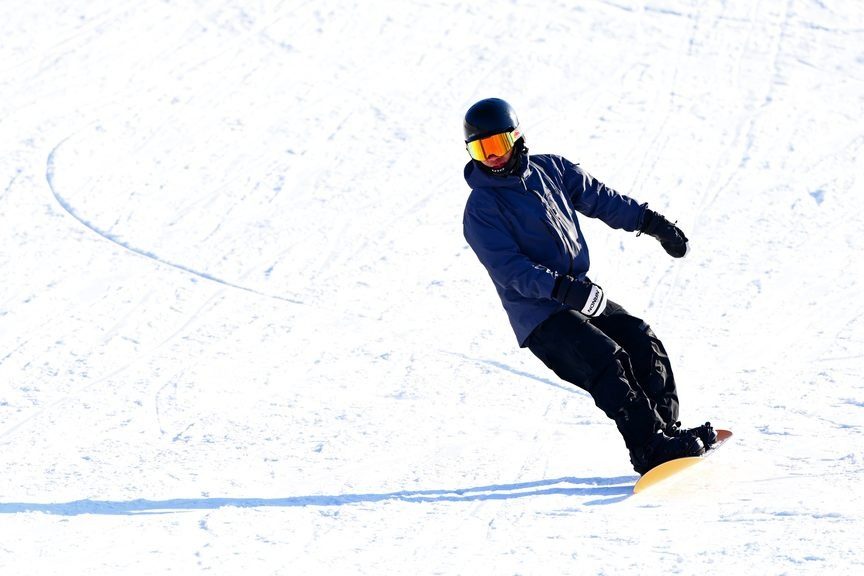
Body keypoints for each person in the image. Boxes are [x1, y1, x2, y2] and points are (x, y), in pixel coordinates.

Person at [461, 97, 717, 474]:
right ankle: (648, 449)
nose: (493, 157)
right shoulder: (481, 209)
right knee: (607, 361)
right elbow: (511, 270)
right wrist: (564, 290)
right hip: (540, 314)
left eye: (497, 144)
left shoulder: (552, 169)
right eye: (481, 150)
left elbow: (602, 199)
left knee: (641, 339)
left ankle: (666, 432)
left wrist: (653, 224)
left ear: (515, 137)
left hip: (578, 293)